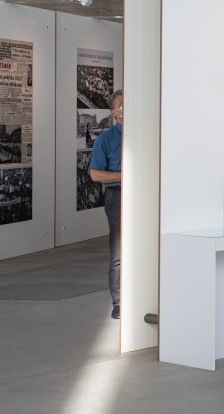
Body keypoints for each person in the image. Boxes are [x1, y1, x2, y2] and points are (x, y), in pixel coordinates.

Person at [89, 90, 124, 320]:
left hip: (146, 195)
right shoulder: (106, 140)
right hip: (118, 197)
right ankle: (119, 302)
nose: (126, 108)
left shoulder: (147, 133)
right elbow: (95, 174)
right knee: (119, 251)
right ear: (113, 112)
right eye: (122, 105)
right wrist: (124, 176)